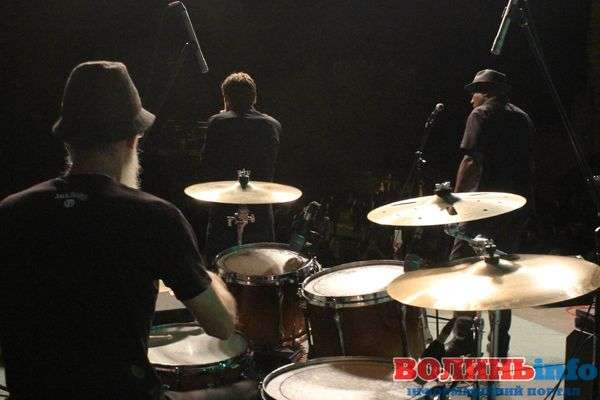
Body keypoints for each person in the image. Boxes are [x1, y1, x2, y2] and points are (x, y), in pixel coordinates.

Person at [0, 61, 254, 400]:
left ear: (68, 142)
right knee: (245, 390)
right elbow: (221, 325)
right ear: (133, 141)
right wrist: (208, 277)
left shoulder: (11, 212)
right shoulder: (155, 217)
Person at [445, 69, 534, 358]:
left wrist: (456, 201)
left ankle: (462, 336)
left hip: (482, 208)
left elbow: (471, 160)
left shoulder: (481, 114)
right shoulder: (522, 118)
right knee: (501, 274)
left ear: (484, 91)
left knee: (462, 266)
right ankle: (499, 344)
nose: (471, 99)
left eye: (474, 92)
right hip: (514, 208)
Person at [200, 72, 281, 265]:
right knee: (260, 266)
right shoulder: (273, 125)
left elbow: (206, 164)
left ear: (226, 98)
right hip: (261, 209)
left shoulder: (217, 123)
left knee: (219, 265)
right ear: (254, 98)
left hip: (224, 208)